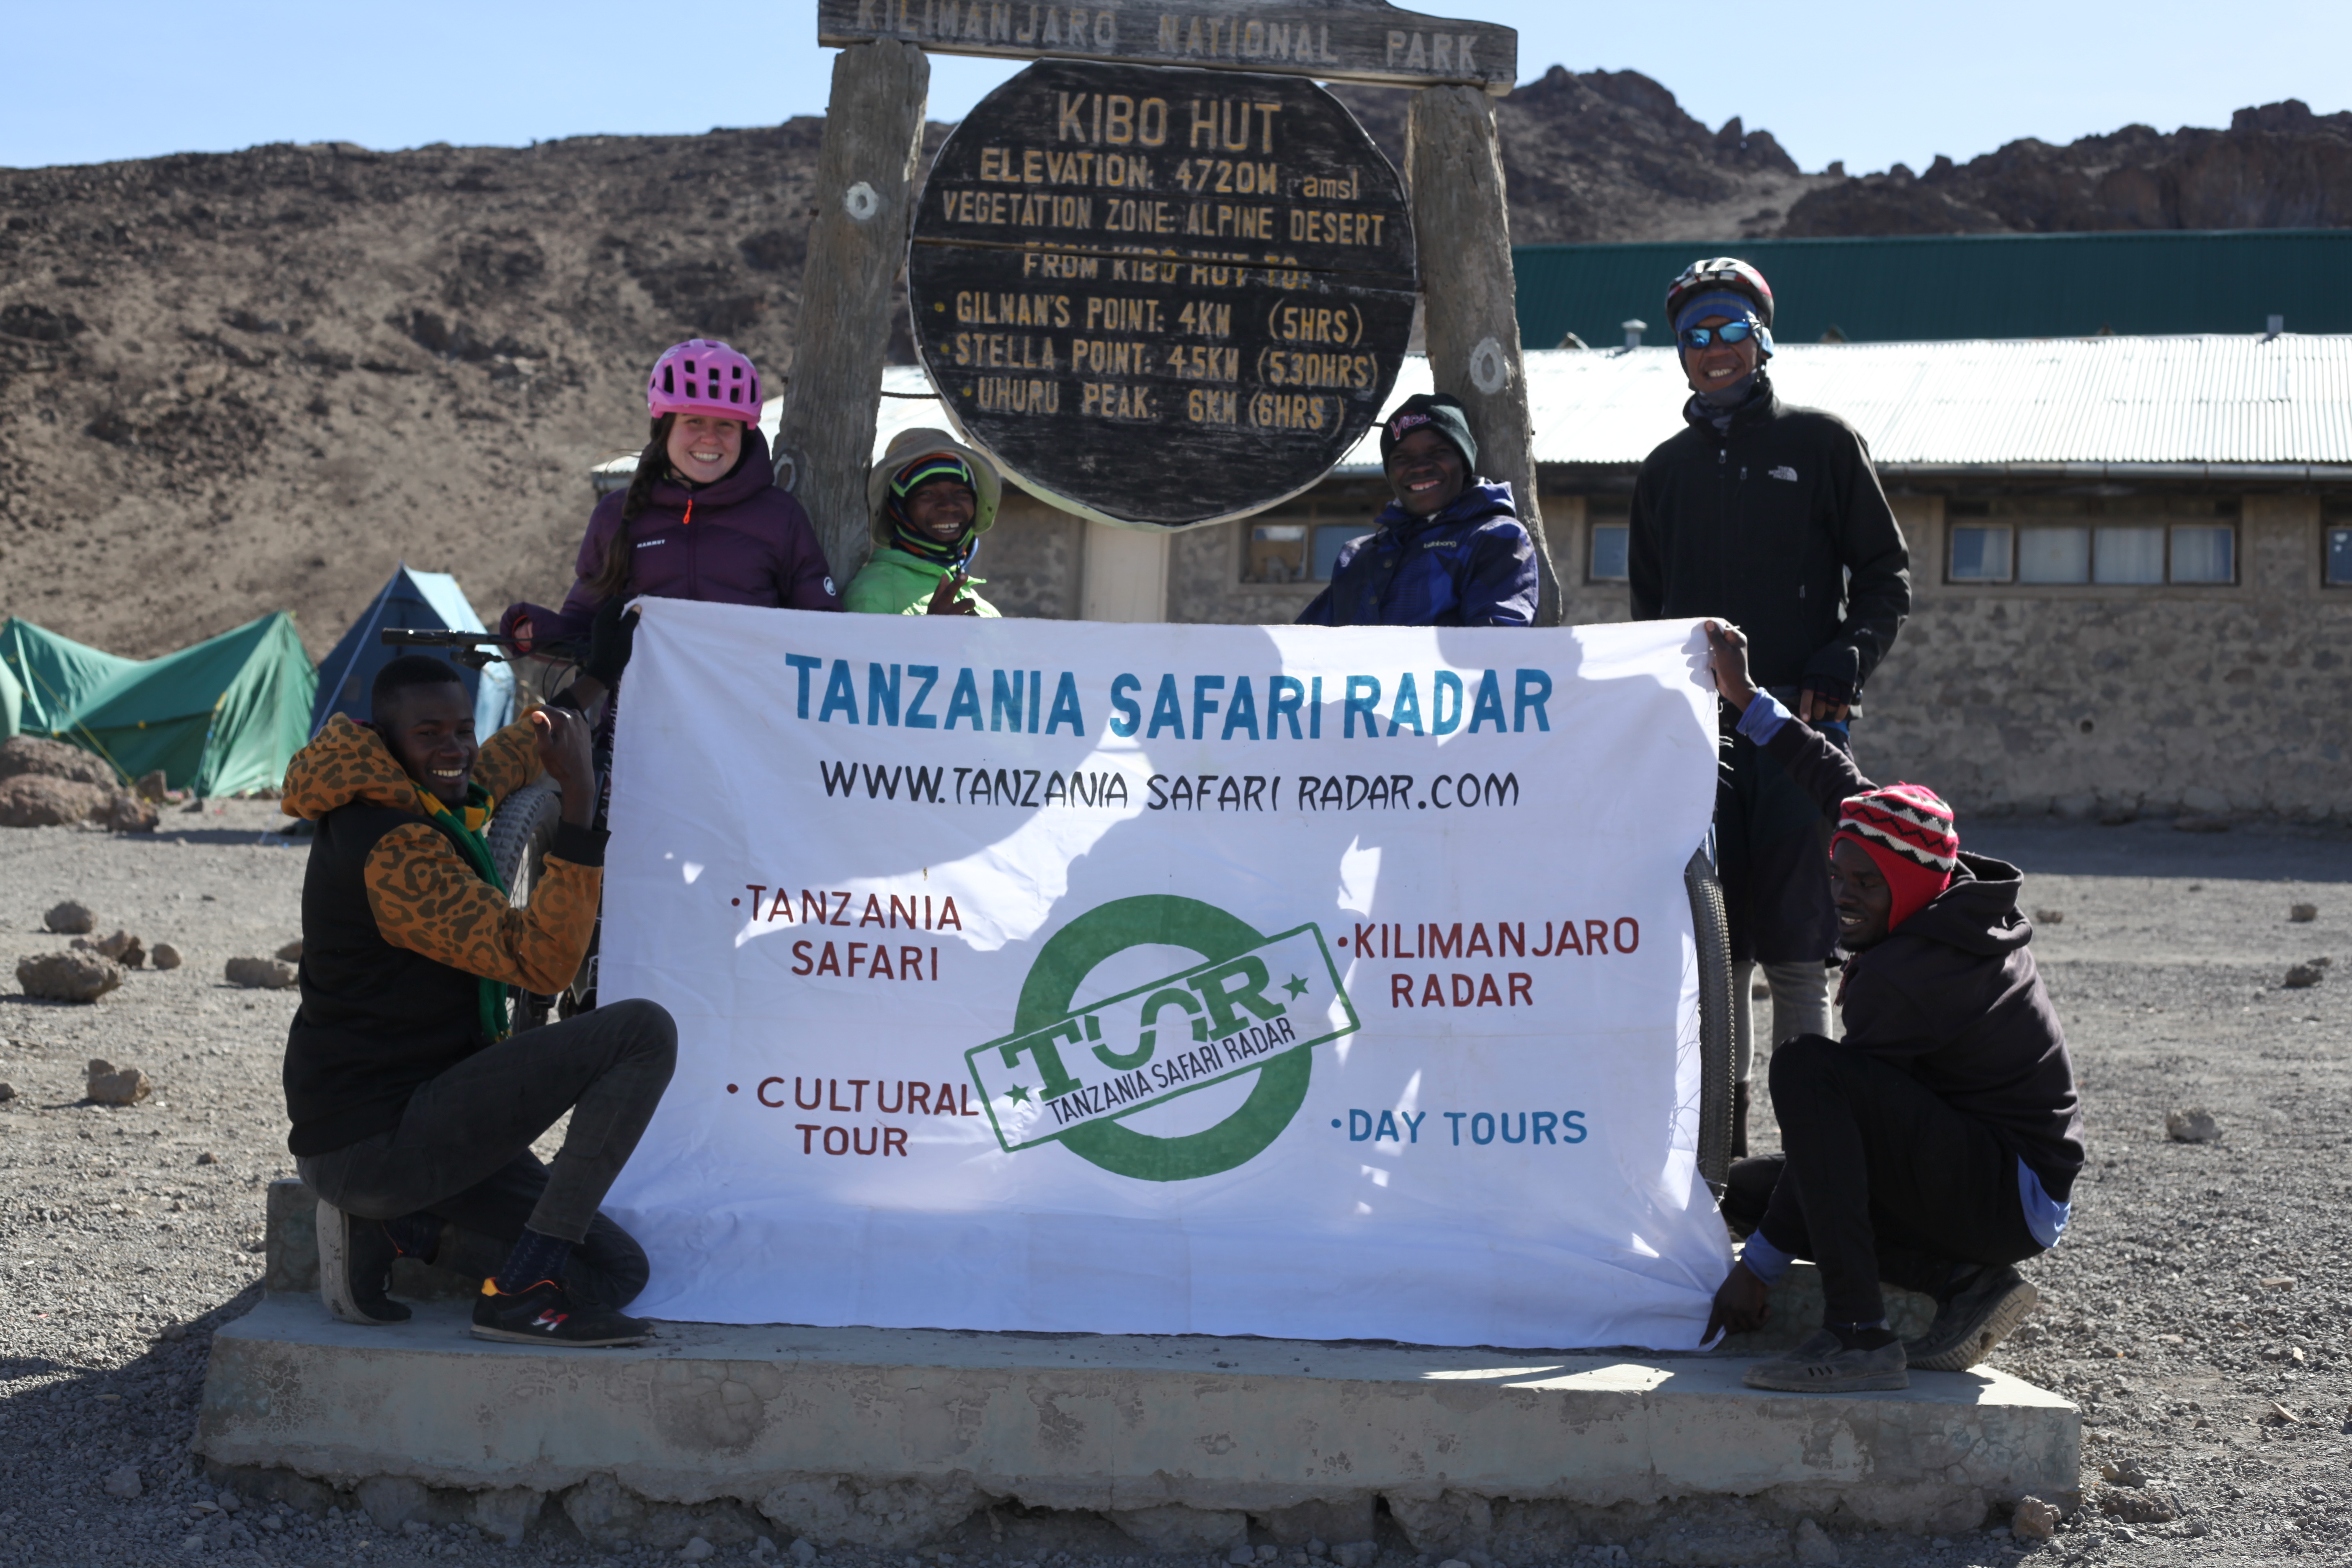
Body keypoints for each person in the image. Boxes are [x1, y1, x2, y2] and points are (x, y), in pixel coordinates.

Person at [1700, 621, 2082, 1392]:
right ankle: (1964, 1280)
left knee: (1810, 1071)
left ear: (1901, 886)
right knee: (1747, 1188)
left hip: (2008, 1189)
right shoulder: (1932, 880)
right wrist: (1745, 699)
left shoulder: (1913, 971)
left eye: (1863, 885)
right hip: (1984, 1169)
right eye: (1837, 874)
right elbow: (1836, 780)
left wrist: (1762, 1268)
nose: (1843, 895)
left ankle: (1858, 1335)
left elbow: (1837, 1138)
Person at [280, 655, 678, 1346]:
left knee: (612, 1271)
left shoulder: (420, 798)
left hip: (415, 1123)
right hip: (379, 1136)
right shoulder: (397, 846)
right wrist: (580, 803)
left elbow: (502, 762)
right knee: (641, 1031)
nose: (455, 747)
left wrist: (595, 679)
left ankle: (399, 1225)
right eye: (430, 731)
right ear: (388, 737)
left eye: (463, 728)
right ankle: (519, 1293)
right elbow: (543, 960)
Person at [1627, 258, 1911, 1156]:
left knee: (1794, 946)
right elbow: (1650, 612)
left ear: (1762, 339)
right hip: (1697, 742)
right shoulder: (1663, 472)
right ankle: (1725, 1162)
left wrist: (1844, 659)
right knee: (1720, 945)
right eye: (1694, 337)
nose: (1712, 351)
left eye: (1728, 331)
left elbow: (1884, 579)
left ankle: (1811, 1162)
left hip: (1795, 729)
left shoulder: (1823, 445)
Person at [502, 338, 842, 714]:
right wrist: (538, 632)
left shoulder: (780, 516)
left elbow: (821, 630)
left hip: (750, 729)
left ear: (745, 434)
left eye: (726, 425)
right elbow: (587, 623)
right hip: (641, 727)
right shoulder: (617, 515)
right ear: (664, 428)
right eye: (693, 421)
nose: (709, 438)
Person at [1297, 392, 1537, 627]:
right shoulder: (1358, 556)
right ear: (1390, 474)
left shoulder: (1495, 538)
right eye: (1402, 457)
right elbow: (1305, 644)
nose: (1420, 467)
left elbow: (1497, 647)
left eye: (1438, 452)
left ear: (1464, 464)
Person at [845, 428, 1005, 618]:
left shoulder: (986, 609)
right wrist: (932, 633)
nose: (949, 506)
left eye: (961, 492)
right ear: (898, 509)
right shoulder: (873, 593)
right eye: (926, 494)